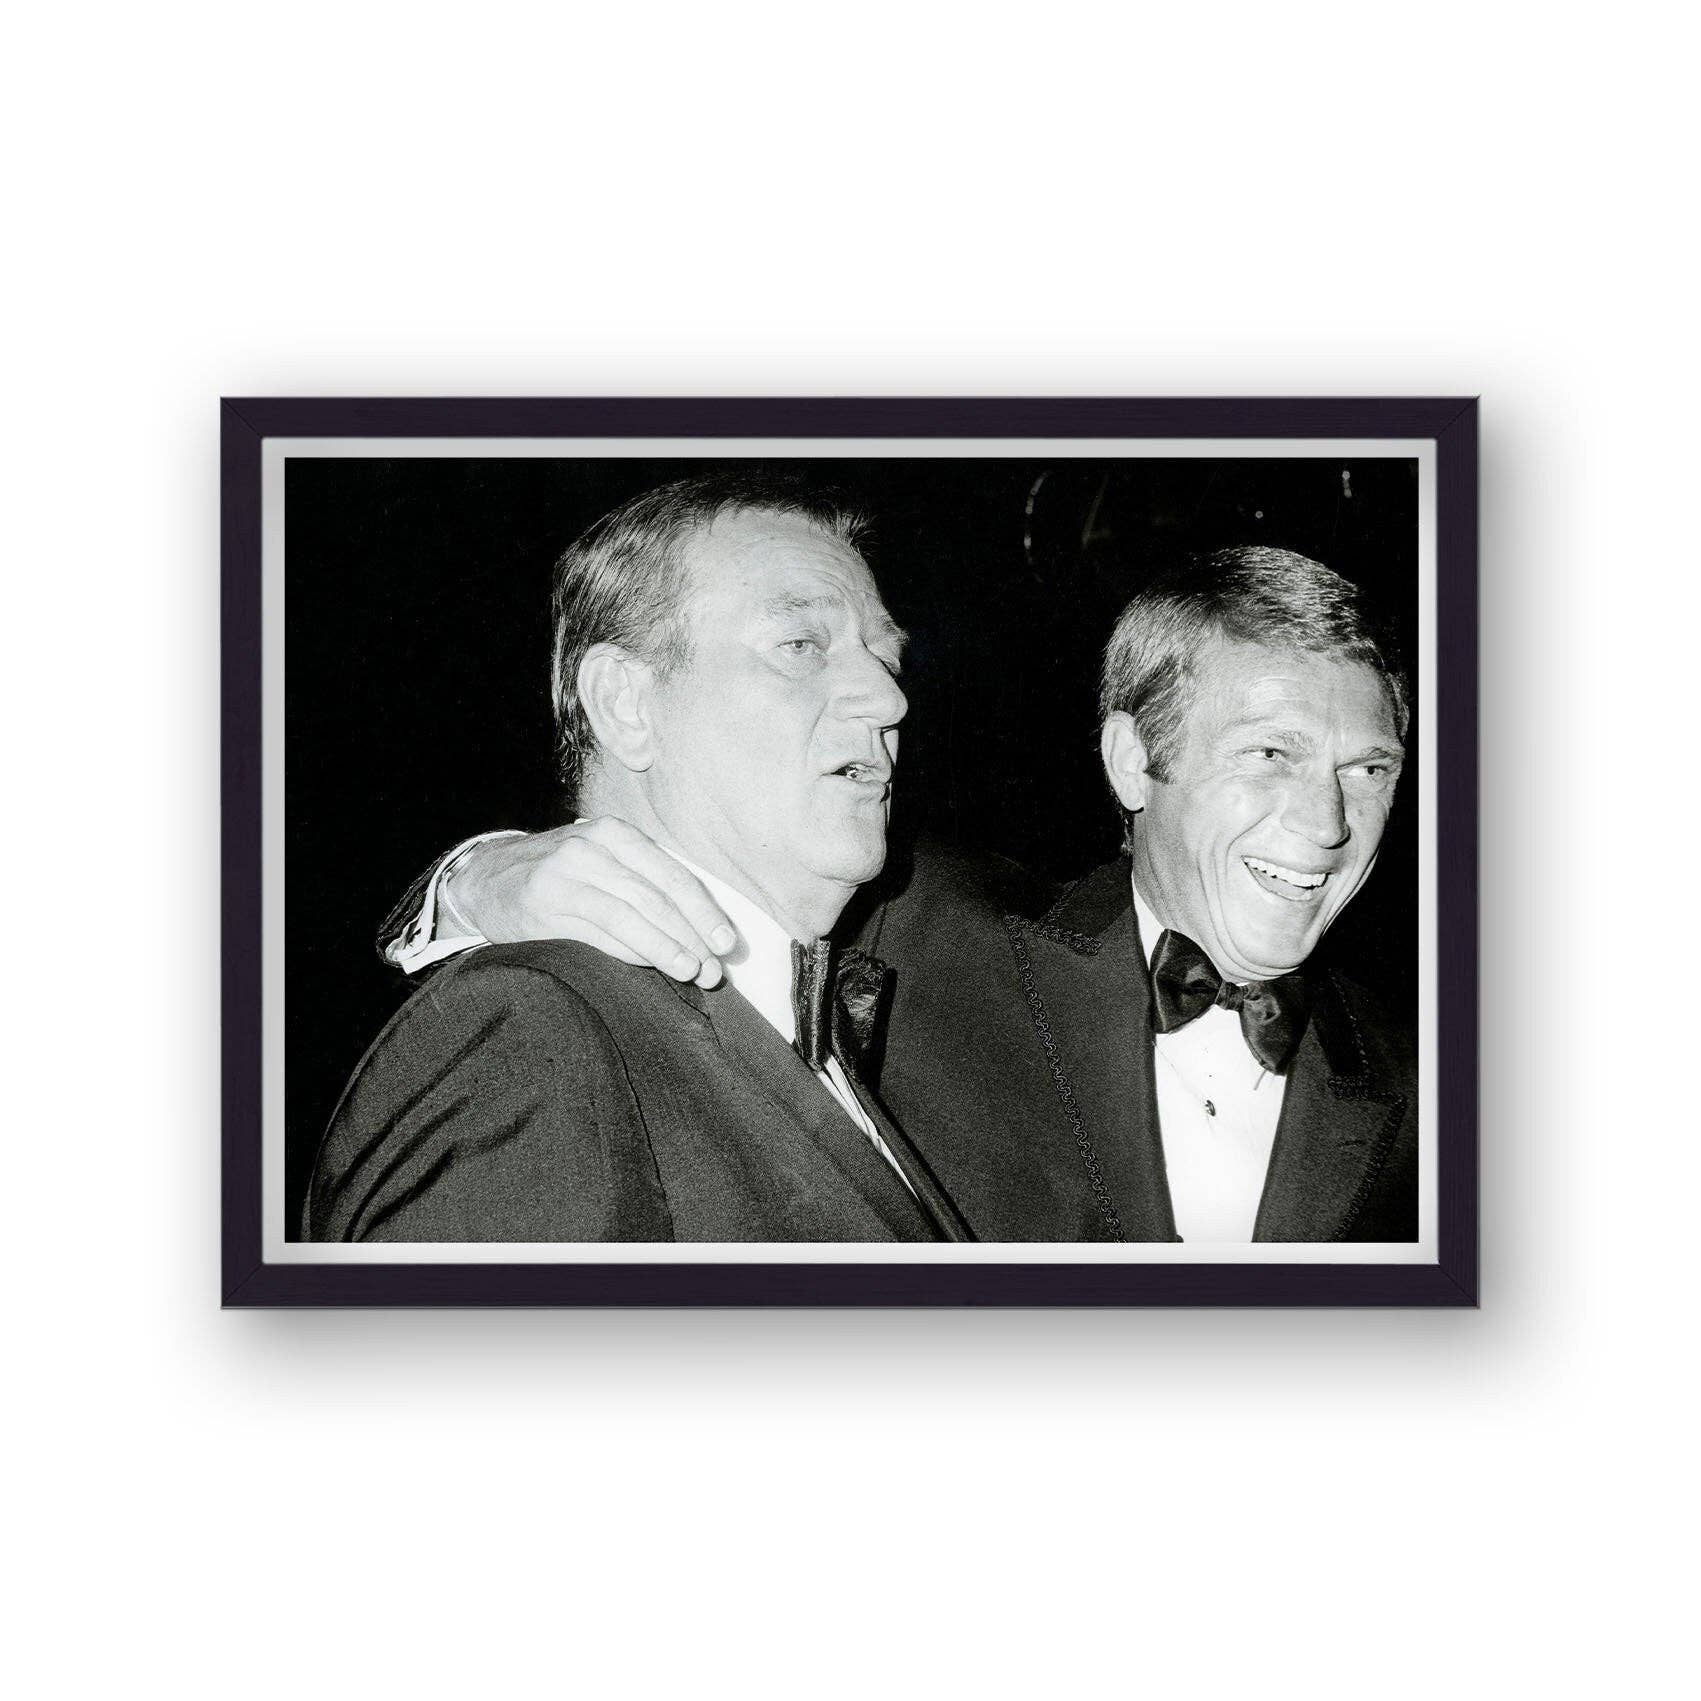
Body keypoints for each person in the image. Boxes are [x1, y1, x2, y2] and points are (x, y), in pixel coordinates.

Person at [382, 546, 1418, 1243]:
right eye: (1270, 753)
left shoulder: (1431, 1082)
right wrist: (479, 880)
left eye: (1368, 768)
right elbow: (730, 849)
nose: (1328, 822)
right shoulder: (926, 924)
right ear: (1132, 762)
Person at [305, 473, 970, 1243]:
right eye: (799, 645)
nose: (888, 701)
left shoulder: (875, 1005)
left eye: (886, 659)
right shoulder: (535, 1036)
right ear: (625, 704)